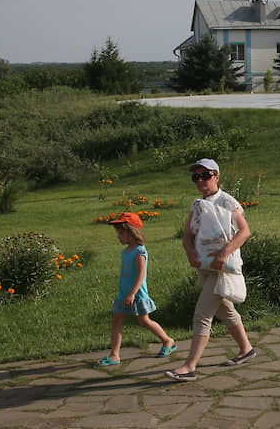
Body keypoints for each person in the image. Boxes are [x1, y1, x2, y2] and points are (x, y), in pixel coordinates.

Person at [166, 158, 256, 382]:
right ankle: (246, 348)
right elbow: (187, 235)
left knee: (202, 313)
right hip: (204, 266)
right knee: (224, 309)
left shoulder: (227, 202)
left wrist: (224, 253)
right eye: (196, 177)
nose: (200, 181)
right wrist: (189, 252)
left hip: (222, 268)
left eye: (205, 175)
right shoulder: (196, 205)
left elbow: (244, 232)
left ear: (216, 176)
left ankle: (189, 366)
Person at [96, 212, 176, 367]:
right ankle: (114, 355)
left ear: (132, 232)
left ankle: (168, 341)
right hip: (123, 294)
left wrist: (132, 293)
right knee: (116, 321)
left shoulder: (139, 251)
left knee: (144, 321)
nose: (118, 236)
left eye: (121, 232)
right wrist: (125, 293)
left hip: (137, 295)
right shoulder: (125, 251)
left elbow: (141, 275)